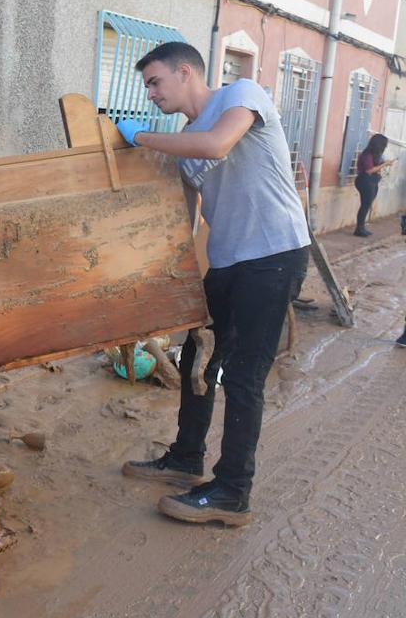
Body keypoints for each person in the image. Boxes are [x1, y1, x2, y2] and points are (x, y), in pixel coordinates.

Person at [115, 42, 310, 527]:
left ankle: (232, 492)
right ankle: (185, 457)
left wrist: (141, 137)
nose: (151, 93)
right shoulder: (185, 137)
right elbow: (187, 212)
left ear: (186, 72)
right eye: (147, 86)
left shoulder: (241, 95)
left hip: (273, 255)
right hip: (227, 260)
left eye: (155, 82)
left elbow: (218, 145)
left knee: (244, 377)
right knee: (199, 359)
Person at [352, 133, 393, 237]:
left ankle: (362, 227)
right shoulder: (367, 155)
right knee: (365, 205)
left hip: (372, 181)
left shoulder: (375, 155)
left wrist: (384, 163)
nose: (385, 147)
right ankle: (359, 229)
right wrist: (384, 164)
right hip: (365, 180)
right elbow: (369, 170)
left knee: (367, 204)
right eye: (384, 145)